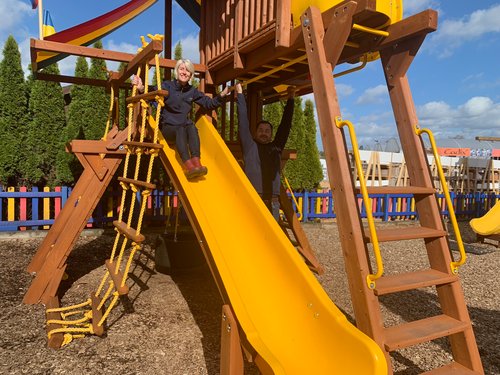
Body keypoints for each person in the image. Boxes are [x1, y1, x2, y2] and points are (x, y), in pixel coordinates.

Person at [132, 59, 229, 179]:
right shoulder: (167, 86)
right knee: (181, 128)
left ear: (191, 75)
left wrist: (221, 96)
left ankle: (196, 162)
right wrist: (141, 87)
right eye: (182, 69)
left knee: (192, 127)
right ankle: (188, 165)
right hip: (168, 129)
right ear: (177, 72)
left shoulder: (192, 91)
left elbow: (208, 103)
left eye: (187, 70)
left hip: (182, 127)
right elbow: (152, 92)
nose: (184, 72)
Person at [235, 83, 296, 220]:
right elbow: (243, 121)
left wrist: (291, 98)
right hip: (253, 198)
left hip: (273, 201)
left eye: (267, 131)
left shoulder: (276, 147)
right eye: (261, 130)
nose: (264, 133)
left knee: (271, 237)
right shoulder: (250, 146)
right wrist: (239, 94)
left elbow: (285, 125)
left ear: (271, 134)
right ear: (255, 133)